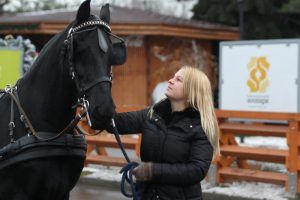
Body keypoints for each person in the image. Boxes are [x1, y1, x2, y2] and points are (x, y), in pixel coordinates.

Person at [109, 66, 220, 200]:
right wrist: (99, 100)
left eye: (178, 80)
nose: (170, 81)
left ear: (192, 90)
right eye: (173, 77)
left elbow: (196, 170)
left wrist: (152, 171)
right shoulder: (152, 114)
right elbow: (116, 123)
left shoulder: (202, 126)